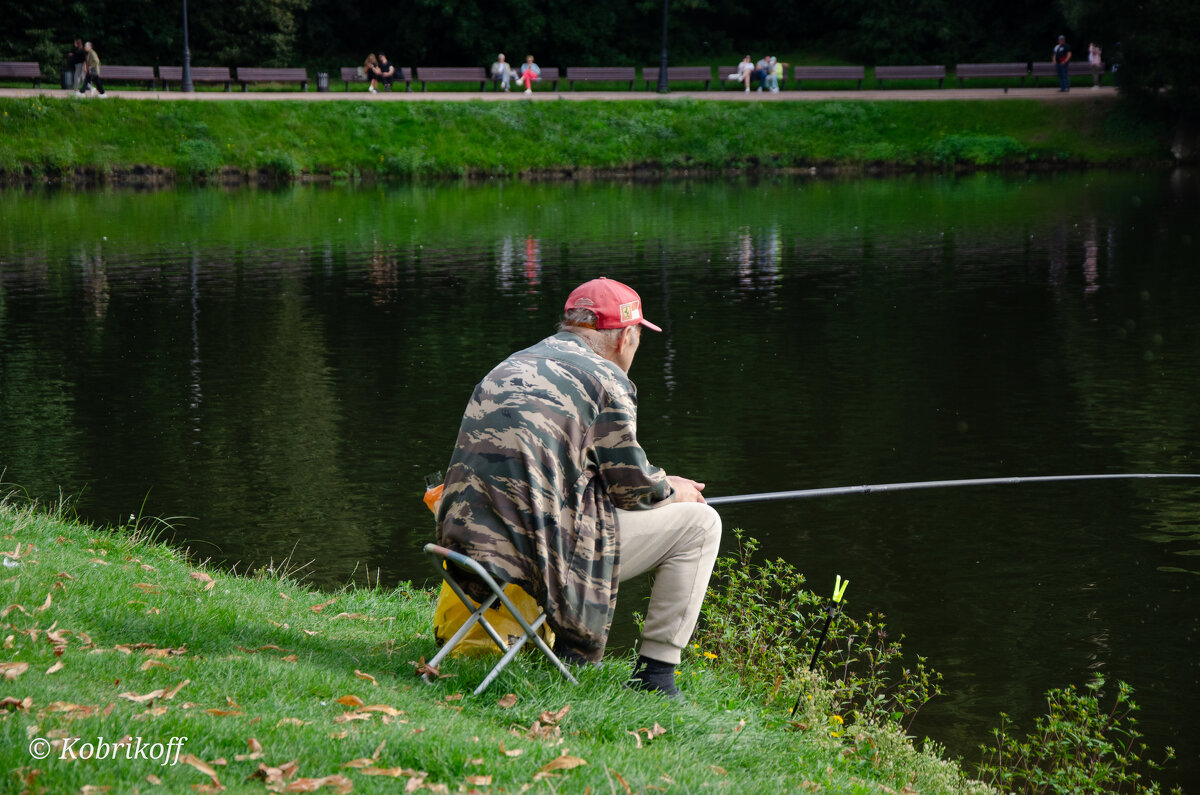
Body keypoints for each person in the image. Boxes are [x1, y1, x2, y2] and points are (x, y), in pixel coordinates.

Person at [435, 277, 722, 697]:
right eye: (639, 336)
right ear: (626, 336)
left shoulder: (511, 364)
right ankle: (655, 678)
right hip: (533, 561)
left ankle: (567, 651)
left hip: (462, 550)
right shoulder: (607, 380)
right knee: (701, 525)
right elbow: (631, 490)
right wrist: (673, 490)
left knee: (585, 516)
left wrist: (656, 483)